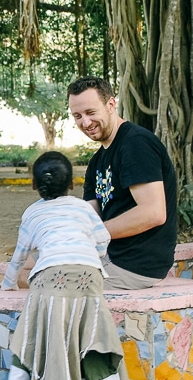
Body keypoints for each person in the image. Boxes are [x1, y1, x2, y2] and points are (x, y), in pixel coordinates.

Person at [0, 151, 134, 380]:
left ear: (33, 185)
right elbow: (102, 239)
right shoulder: (84, 208)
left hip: (50, 277)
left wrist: (7, 284)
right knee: (91, 334)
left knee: (33, 334)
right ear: (72, 183)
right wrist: (93, 258)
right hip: (90, 277)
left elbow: (20, 257)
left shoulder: (32, 213)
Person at [68, 77, 177, 289]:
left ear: (110, 105)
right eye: (77, 116)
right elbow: (91, 216)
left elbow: (154, 212)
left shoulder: (135, 144)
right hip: (106, 256)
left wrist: (92, 234)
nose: (85, 123)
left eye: (91, 113)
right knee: (27, 269)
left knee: (46, 282)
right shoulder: (96, 162)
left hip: (133, 265)